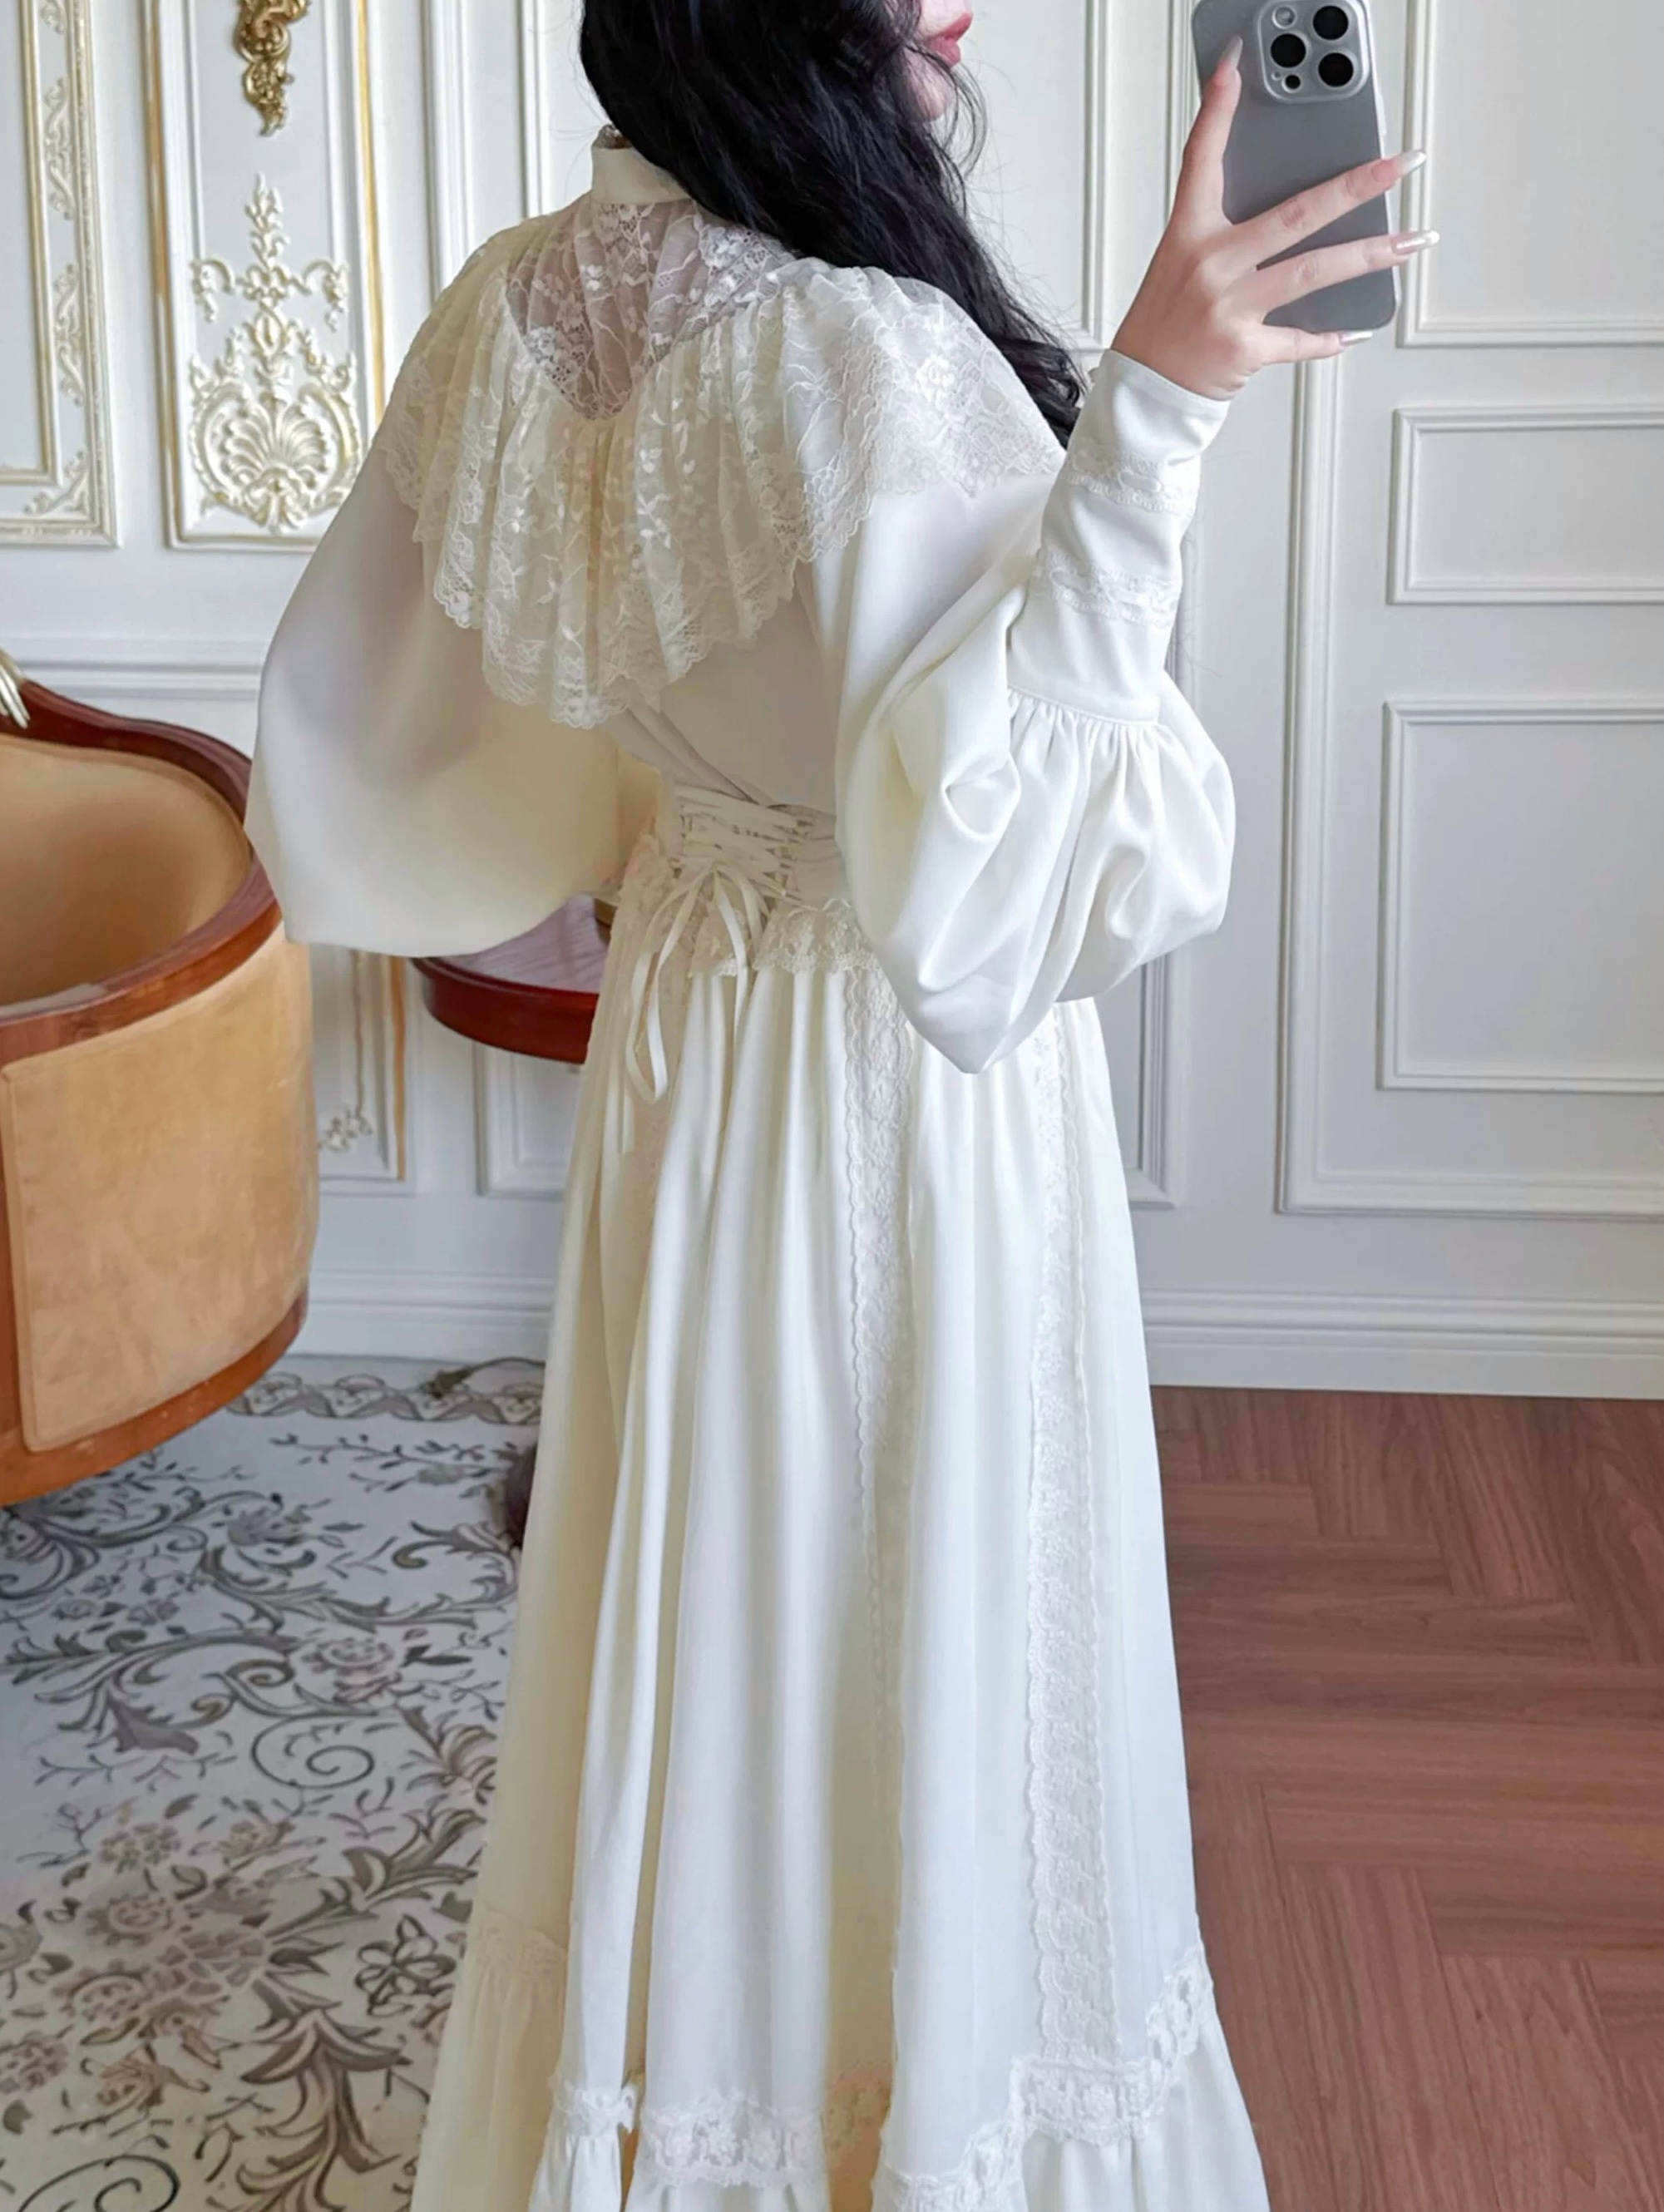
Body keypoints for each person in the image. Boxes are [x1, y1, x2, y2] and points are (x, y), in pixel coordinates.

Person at [247, 2, 1433, 2204]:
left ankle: (694, 2097)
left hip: (691, 1036)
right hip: (899, 1071)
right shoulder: (863, 354)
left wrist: (675, 812)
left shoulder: (523, 301)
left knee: (708, 1580)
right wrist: (1158, 410)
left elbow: (376, 741)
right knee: (920, 1596)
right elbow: (1010, 881)